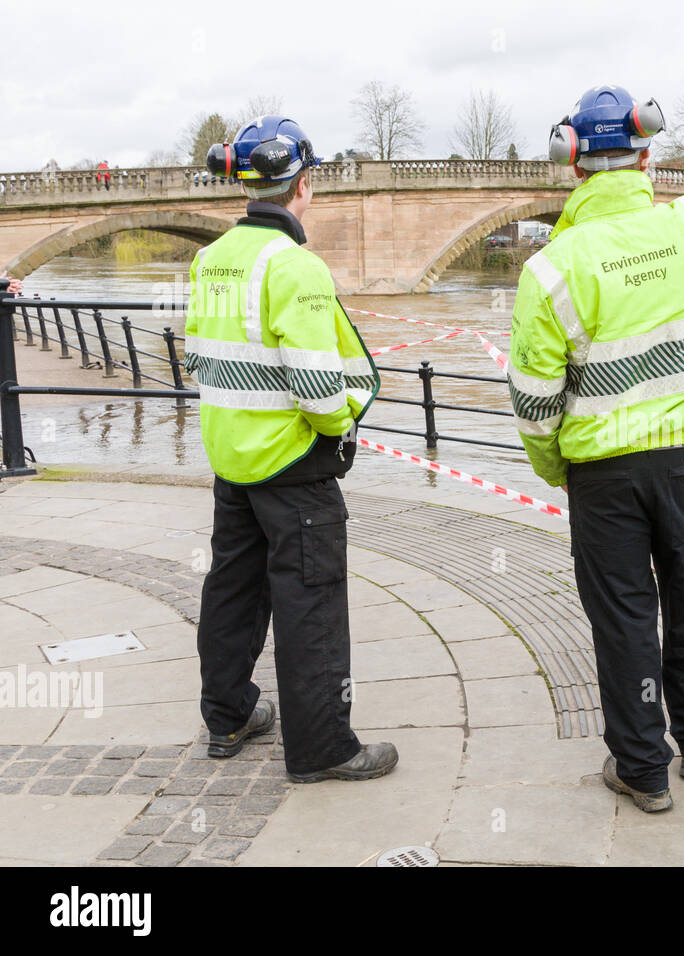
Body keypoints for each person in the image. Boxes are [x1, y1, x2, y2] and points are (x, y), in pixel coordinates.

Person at [509, 85, 684, 812]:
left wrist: (558, 468)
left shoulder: (550, 269)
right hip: (682, 460)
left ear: (572, 164)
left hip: (601, 474)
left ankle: (642, 768)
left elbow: (535, 399)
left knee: (624, 615)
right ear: (647, 156)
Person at [184, 116, 397, 783]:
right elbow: (315, 379)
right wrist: (338, 428)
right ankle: (324, 748)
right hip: (293, 464)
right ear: (303, 185)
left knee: (233, 590)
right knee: (311, 600)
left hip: (232, 457)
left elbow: (199, 356)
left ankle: (228, 715)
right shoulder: (294, 264)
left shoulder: (211, 257)